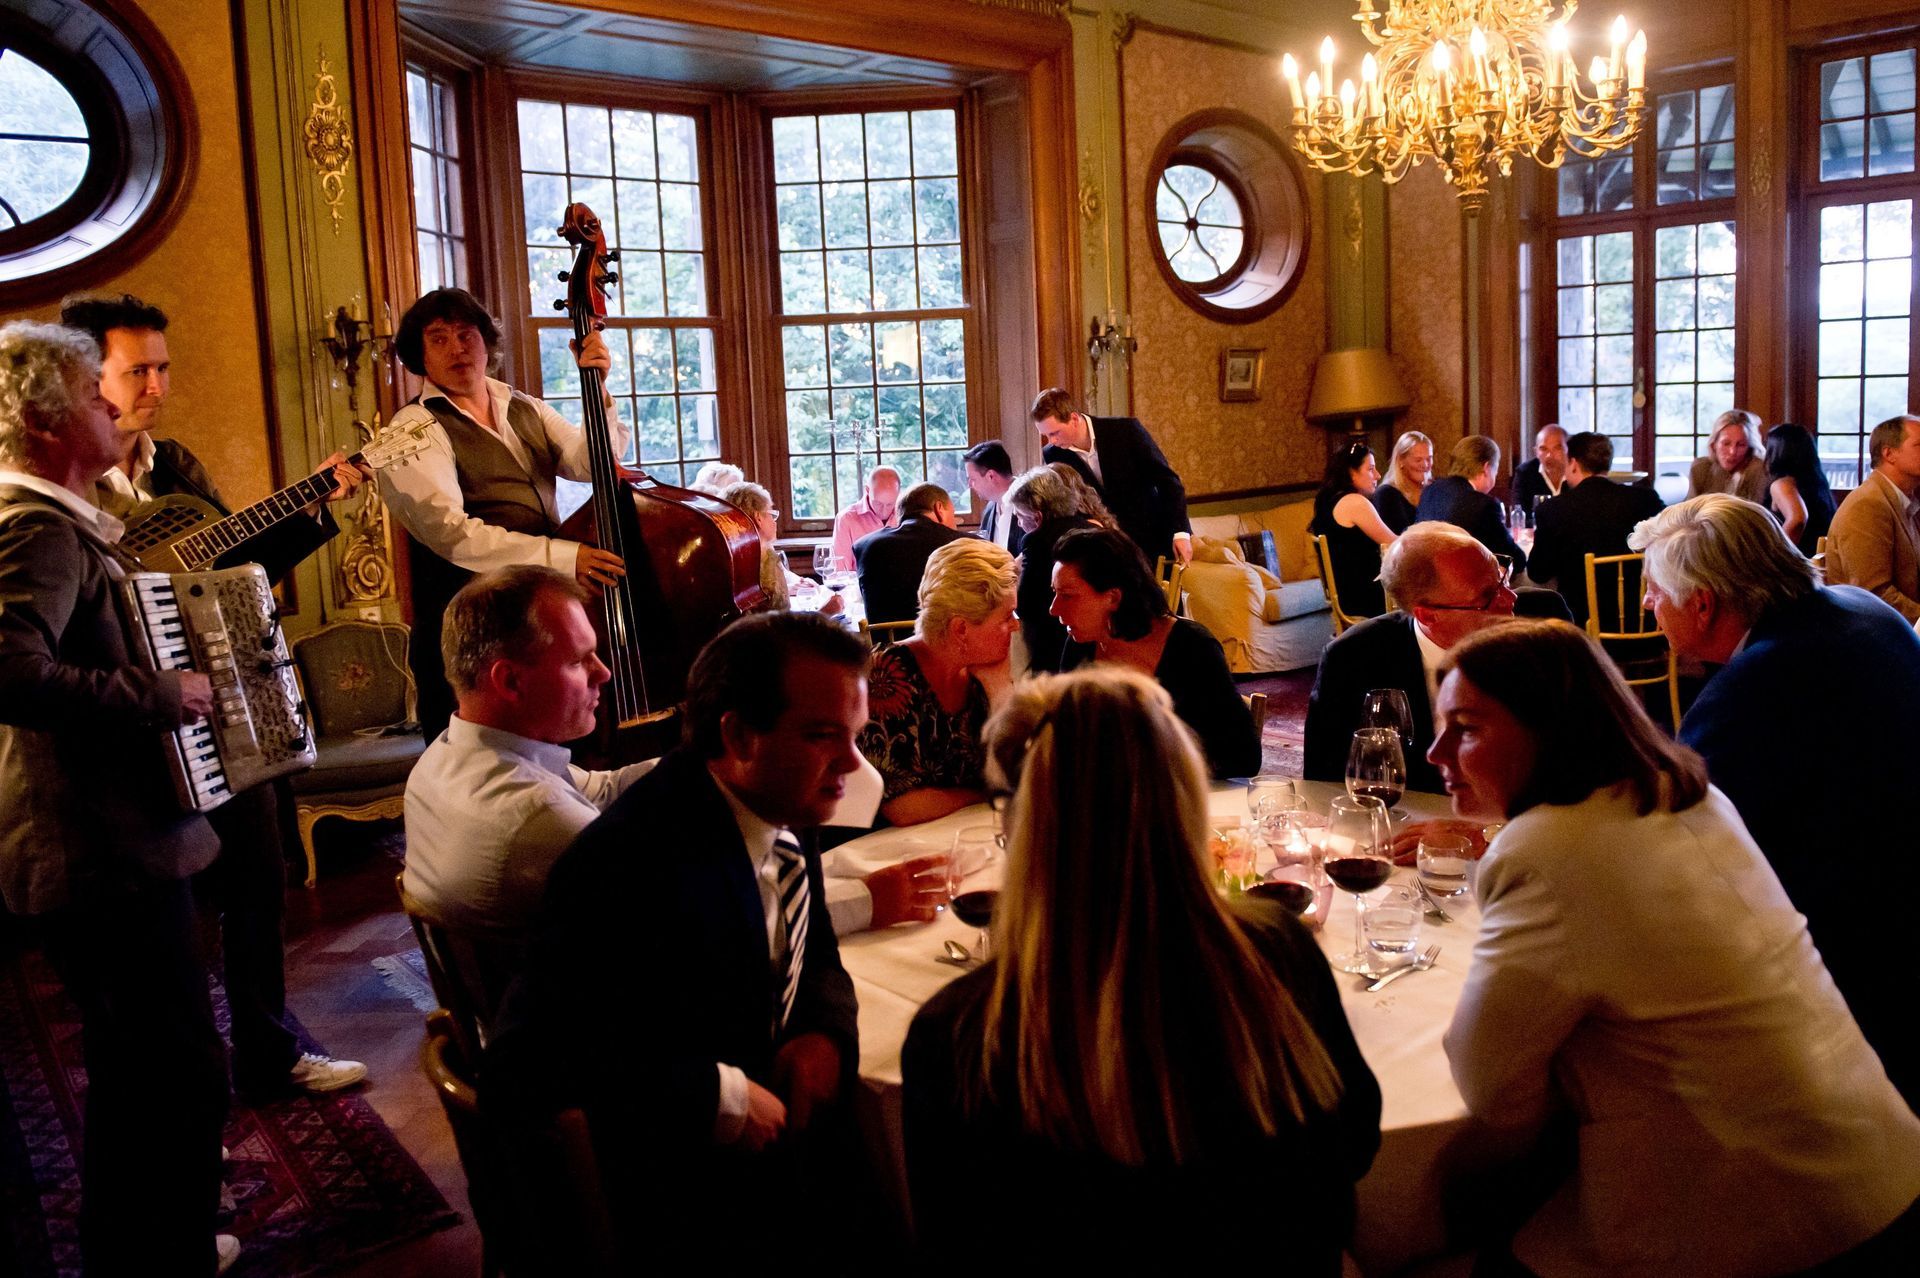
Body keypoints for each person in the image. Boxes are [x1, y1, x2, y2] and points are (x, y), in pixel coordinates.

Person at [1431, 619, 1920, 1277]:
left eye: (1466, 727)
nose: (1435, 752)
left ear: (1550, 727)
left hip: (1765, 1212)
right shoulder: (1689, 795)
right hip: (1880, 1164)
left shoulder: (1547, 848)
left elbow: (1488, 1085)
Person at [902, 667, 1381, 1269]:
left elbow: (954, 1244)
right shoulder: (1277, 952)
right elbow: (1353, 1145)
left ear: (1018, 824)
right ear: (1185, 800)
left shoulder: (962, 1030)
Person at [485, 612, 865, 1265]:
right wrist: (721, 1098)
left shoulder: (782, 802)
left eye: (855, 736)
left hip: (766, 1162)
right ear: (740, 735)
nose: (852, 764)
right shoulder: (628, 862)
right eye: (823, 735)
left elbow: (818, 950)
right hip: (673, 1200)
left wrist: (823, 1029)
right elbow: (528, 1064)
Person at [62, 292, 367, 1101]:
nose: (157, 384)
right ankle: (180, 1084)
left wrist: (312, 510)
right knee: (161, 926)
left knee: (259, 885)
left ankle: (268, 1048)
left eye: (163, 367)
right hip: (136, 720)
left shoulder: (178, 467)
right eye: (139, 370)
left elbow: (237, 574)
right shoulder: (67, 484)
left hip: (221, 700)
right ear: (86, 375)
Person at [0, 321, 234, 1273]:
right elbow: (7, 671)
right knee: (168, 1068)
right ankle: (155, 1258)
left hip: (112, 847)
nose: (112, 404)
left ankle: (148, 1247)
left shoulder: (55, 523)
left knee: (149, 1068)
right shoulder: (36, 532)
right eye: (94, 395)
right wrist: (158, 692)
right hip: (102, 855)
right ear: (54, 423)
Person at [1630, 494, 1920, 1105]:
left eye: (1655, 592)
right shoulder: (1859, 606)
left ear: (1703, 603)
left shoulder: (1759, 681)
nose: (1648, 606)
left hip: (1851, 952)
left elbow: (1674, 832)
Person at [377, 287, 630, 740]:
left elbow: (592, 464)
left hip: (532, 621)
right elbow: (454, 535)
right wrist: (565, 559)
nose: (457, 348)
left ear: (486, 341)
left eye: (466, 334)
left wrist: (599, 388)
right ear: (419, 357)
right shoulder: (412, 429)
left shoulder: (521, 404)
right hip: (472, 633)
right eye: (439, 338)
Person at [402, 566, 657, 941]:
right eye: (577, 660)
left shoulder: (443, 755)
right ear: (509, 681)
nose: (603, 673)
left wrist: (705, 762)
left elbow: (603, 791)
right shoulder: (539, 817)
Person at [1304, 523, 1569, 795]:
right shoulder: (1354, 659)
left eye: (1501, 578)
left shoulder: (1543, 618)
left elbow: (1592, 740)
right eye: (1487, 596)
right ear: (1427, 615)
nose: (1510, 597)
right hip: (1420, 823)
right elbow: (1323, 781)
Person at [1050, 527, 1260, 779]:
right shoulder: (1079, 646)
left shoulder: (1192, 648)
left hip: (1181, 804)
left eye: (1067, 596)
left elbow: (1243, 756)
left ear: (1114, 598)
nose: (1054, 609)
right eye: (1055, 593)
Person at [857, 539, 1017, 825]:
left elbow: (1015, 776)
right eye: (1006, 616)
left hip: (961, 835)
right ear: (961, 629)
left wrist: (1000, 691)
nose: (1015, 625)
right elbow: (903, 807)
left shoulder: (982, 670)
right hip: (885, 849)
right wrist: (980, 795)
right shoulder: (887, 675)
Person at [1031, 386, 1192, 565]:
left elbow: (1168, 481)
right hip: (1109, 551)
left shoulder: (1125, 431)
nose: (1051, 441)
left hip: (1154, 538)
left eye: (1054, 433)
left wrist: (1181, 532)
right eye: (1045, 435)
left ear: (1074, 419)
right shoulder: (1053, 454)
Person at [1526, 431, 1664, 628]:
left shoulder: (1552, 510)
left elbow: (1538, 573)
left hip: (1582, 632)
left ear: (1572, 463)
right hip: (1644, 626)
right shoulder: (1646, 500)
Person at [1827, 413, 1920, 623]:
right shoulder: (1868, 504)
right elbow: (1874, 595)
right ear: (1889, 454)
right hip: (1875, 637)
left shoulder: (1903, 500)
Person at [1004, 465, 1097, 673]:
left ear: (1037, 517)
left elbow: (1025, 606)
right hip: (1100, 640)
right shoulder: (1092, 528)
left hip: (1060, 646)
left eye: (1019, 515)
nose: (1018, 524)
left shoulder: (1037, 541)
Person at [852, 481, 971, 625]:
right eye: (953, 514)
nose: (955, 524)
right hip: (948, 643)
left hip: (887, 645)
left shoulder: (865, 546)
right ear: (939, 509)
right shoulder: (968, 544)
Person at [720, 480, 842, 617]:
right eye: (772, 513)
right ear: (758, 518)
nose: (774, 521)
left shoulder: (727, 555)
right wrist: (824, 613)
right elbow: (776, 632)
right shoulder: (762, 561)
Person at [1415, 434, 1527, 574]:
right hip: (1462, 588)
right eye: (1496, 468)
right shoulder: (1485, 505)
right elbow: (1515, 558)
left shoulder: (1430, 491)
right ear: (1486, 468)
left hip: (1425, 581)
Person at [1309, 438, 1396, 617]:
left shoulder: (1327, 501)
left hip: (1347, 594)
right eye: (1371, 469)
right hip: (1364, 598)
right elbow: (1394, 544)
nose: (1378, 475)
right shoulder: (1355, 503)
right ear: (1351, 473)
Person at [1763, 422, 1835, 556]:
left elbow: (1798, 519)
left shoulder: (1782, 484)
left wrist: (1775, 556)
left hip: (1796, 566)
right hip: (1818, 561)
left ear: (1776, 451)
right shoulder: (1817, 483)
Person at [1685, 408, 1770, 503]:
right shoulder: (1701, 468)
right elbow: (1688, 512)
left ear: (1749, 447)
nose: (1732, 452)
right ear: (1714, 444)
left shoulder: (1759, 470)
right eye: (1726, 443)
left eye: (1741, 444)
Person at [829, 463, 899, 569]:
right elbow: (840, 572)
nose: (884, 511)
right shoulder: (846, 519)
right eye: (878, 503)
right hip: (858, 585)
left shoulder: (906, 515)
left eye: (890, 504)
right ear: (867, 490)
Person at [962, 440, 1024, 556]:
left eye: (972, 479)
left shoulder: (1029, 503)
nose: (969, 485)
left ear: (991, 476)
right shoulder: (989, 509)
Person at [1373, 429, 1433, 534]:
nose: (1425, 465)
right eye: (1418, 460)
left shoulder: (1435, 490)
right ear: (1401, 460)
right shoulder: (1386, 495)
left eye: (1429, 459)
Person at [1511, 423, 1569, 519]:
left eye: (1557, 448)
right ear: (1536, 452)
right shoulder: (1525, 473)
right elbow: (1521, 515)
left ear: (1568, 449)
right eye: (1543, 449)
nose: (1549, 455)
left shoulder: (1577, 473)